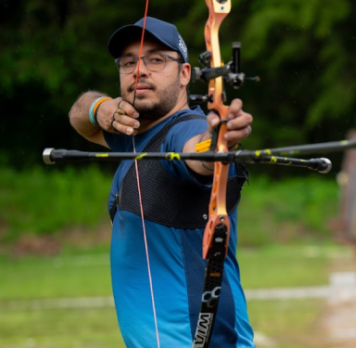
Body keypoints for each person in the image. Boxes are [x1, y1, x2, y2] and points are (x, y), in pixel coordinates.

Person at [67, 17, 255, 347]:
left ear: (185, 75)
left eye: (156, 59)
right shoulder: (133, 136)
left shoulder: (181, 130)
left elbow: (196, 153)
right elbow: (80, 114)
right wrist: (101, 107)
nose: (140, 70)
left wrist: (218, 140)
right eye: (129, 62)